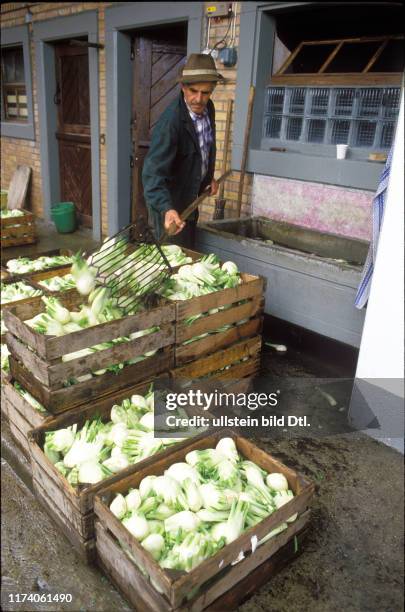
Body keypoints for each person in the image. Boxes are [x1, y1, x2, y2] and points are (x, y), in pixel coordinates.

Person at [142, 53, 223, 249]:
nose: (198, 99)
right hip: (170, 209)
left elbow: (203, 147)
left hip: (190, 200)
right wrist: (166, 209)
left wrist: (207, 178)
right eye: (193, 91)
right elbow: (151, 176)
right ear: (183, 87)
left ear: (212, 90)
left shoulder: (208, 108)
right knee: (172, 260)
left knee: (187, 252)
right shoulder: (171, 123)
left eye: (205, 93)